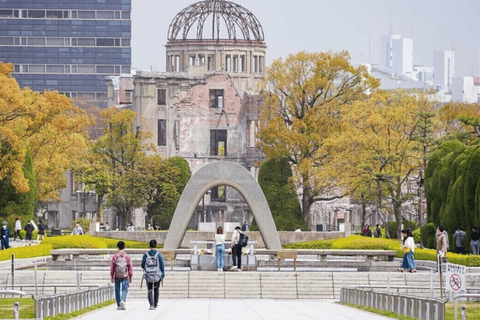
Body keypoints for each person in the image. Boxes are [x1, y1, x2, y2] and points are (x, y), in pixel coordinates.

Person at [141, 239, 165, 310]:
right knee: (156, 289)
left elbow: (142, 264)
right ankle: (155, 304)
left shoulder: (146, 255)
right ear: (156, 245)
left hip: (149, 274)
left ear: (149, 246)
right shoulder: (158, 255)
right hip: (157, 274)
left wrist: (147, 269)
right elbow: (162, 265)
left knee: (150, 289)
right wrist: (162, 274)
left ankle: (151, 304)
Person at [110, 240, 133, 310]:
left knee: (117, 290)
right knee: (124, 289)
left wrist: (112, 276)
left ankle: (118, 304)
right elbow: (130, 267)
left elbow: (112, 267)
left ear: (117, 247)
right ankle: (123, 300)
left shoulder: (115, 256)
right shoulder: (127, 256)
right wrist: (130, 276)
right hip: (125, 275)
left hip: (117, 275)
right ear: (124, 247)